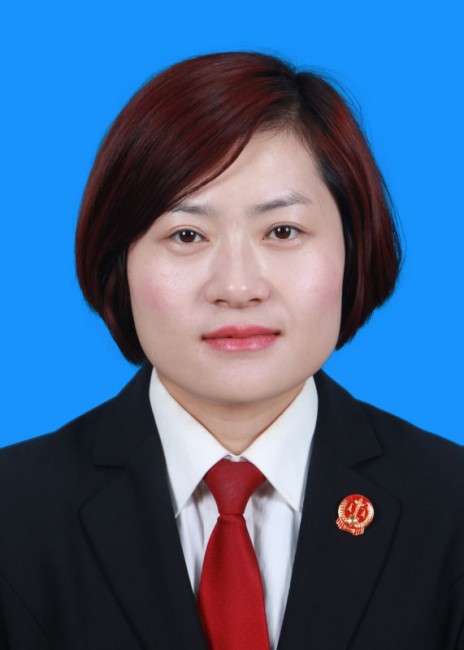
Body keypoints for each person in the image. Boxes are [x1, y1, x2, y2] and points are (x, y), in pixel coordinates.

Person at [0, 51, 463, 650]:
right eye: (187, 235)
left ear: (355, 247)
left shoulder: (450, 508)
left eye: (283, 231)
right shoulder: (13, 514)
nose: (238, 287)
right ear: (119, 261)